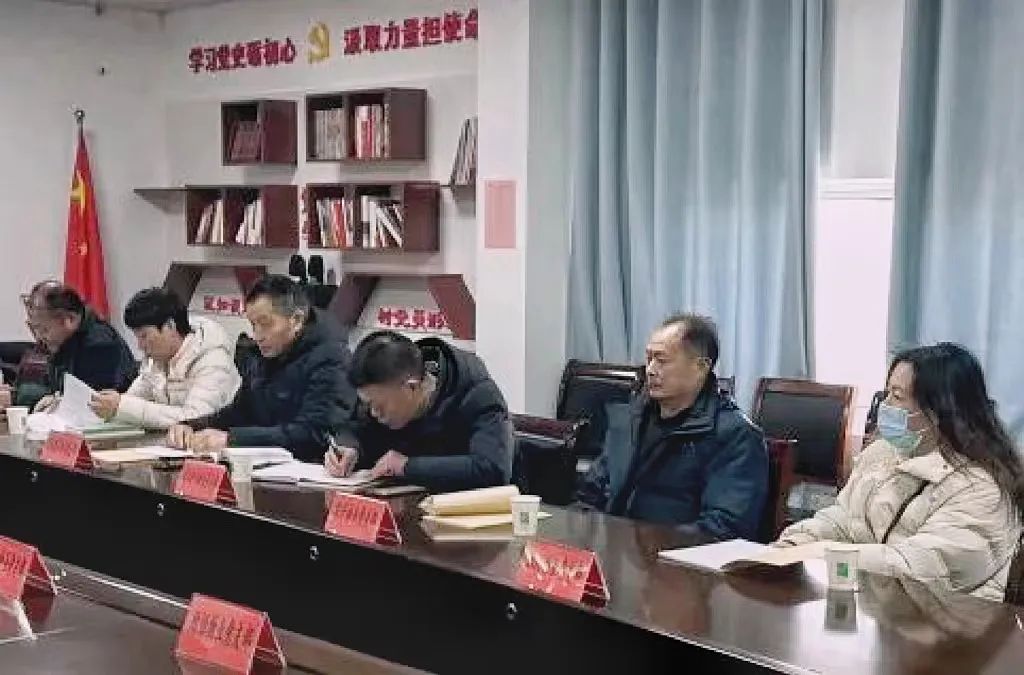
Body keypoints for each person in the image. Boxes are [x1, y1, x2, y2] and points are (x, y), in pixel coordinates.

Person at [776, 343, 1024, 601]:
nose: (884, 405)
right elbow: (844, 519)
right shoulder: (882, 453)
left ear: (937, 411)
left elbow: (919, 569)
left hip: (949, 619)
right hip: (880, 608)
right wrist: (798, 541)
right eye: (887, 393)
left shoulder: (981, 488)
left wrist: (823, 552)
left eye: (896, 396)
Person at [576, 314, 768, 542]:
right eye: (649, 359)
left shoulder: (734, 435)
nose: (650, 370)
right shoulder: (631, 420)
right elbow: (589, 495)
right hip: (615, 552)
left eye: (662, 360)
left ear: (701, 367)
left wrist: (645, 548)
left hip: (676, 558)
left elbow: (723, 529)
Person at [166, 275, 355, 460]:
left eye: (265, 324)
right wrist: (191, 426)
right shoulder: (264, 355)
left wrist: (233, 439)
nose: (257, 336)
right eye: (253, 325)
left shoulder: (332, 359)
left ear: (296, 320)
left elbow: (315, 435)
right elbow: (238, 412)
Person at [324, 330, 513, 492]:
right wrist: (349, 447)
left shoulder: (476, 392)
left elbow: (492, 469)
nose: (374, 413)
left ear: (411, 388)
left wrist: (406, 466)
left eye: (379, 406)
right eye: (368, 404)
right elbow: (354, 427)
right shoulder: (381, 385)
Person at [87, 288, 240, 430]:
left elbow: (196, 418)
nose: (140, 346)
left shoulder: (213, 360)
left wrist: (122, 406)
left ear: (170, 326)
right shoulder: (156, 361)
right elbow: (132, 400)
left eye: (144, 336)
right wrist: (110, 406)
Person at [21, 280, 137, 411]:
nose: (39, 337)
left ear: (69, 320)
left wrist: (57, 403)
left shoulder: (100, 345)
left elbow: (92, 404)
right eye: (34, 328)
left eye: (44, 330)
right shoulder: (61, 341)